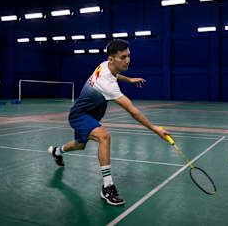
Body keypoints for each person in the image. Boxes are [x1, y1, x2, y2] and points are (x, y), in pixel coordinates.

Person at [48, 39, 170, 206]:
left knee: (79, 145)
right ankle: (107, 186)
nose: (128, 60)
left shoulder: (105, 64)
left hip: (90, 116)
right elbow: (133, 111)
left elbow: (116, 74)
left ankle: (57, 151)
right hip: (79, 116)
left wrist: (130, 80)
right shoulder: (107, 85)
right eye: (123, 57)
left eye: (128, 56)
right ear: (112, 59)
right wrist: (156, 129)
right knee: (104, 137)